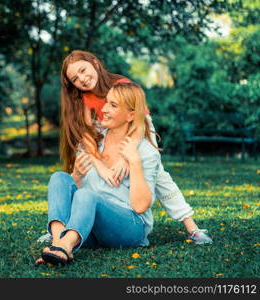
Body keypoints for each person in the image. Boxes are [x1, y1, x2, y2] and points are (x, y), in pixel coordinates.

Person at [37, 50, 212, 245]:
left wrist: (125, 156)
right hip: (107, 132)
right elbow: (86, 133)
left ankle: (192, 227)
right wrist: (99, 163)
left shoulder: (120, 85)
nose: (83, 79)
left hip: (138, 129)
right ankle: (62, 230)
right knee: (80, 171)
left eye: (83, 71)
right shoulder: (83, 98)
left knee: (159, 176)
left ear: (94, 62)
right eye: (75, 79)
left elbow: (139, 120)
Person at [37, 83, 160, 265]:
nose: (104, 109)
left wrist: (134, 163)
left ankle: (64, 245)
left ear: (131, 115)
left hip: (129, 228)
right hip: (89, 229)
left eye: (113, 105)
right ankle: (58, 244)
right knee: (60, 178)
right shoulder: (94, 141)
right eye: (106, 103)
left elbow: (141, 207)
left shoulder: (146, 152)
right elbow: (78, 197)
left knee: (88, 195)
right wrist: (77, 176)